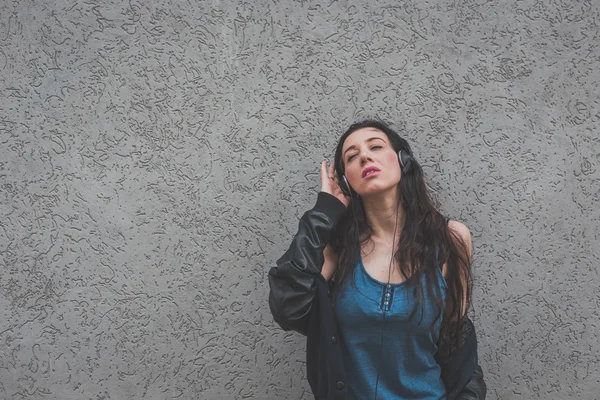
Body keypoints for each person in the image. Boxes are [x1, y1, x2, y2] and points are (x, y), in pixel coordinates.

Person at [268, 120, 486, 399]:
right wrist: (324, 212)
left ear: (402, 159)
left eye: (375, 146)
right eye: (352, 156)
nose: (365, 156)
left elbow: (457, 343)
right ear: (347, 180)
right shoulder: (338, 247)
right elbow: (287, 307)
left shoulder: (450, 239)